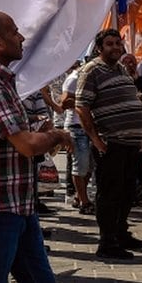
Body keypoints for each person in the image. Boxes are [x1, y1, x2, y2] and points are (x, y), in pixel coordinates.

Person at [0, 11, 72, 283]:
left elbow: (10, 140)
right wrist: (56, 135)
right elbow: (26, 145)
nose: (21, 38)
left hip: (16, 205)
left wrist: (37, 134)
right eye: (14, 32)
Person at [75, 29, 142, 261]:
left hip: (130, 144)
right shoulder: (91, 70)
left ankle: (120, 233)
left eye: (118, 43)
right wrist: (96, 139)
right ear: (99, 47)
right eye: (110, 44)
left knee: (127, 192)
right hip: (111, 144)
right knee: (110, 193)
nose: (115, 47)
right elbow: (82, 106)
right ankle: (107, 242)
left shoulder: (121, 69)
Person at [59, 66, 94, 215]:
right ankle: (84, 201)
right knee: (80, 164)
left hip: (89, 126)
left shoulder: (91, 78)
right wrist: (84, 102)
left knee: (88, 166)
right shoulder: (74, 78)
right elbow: (64, 102)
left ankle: (80, 197)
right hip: (76, 126)